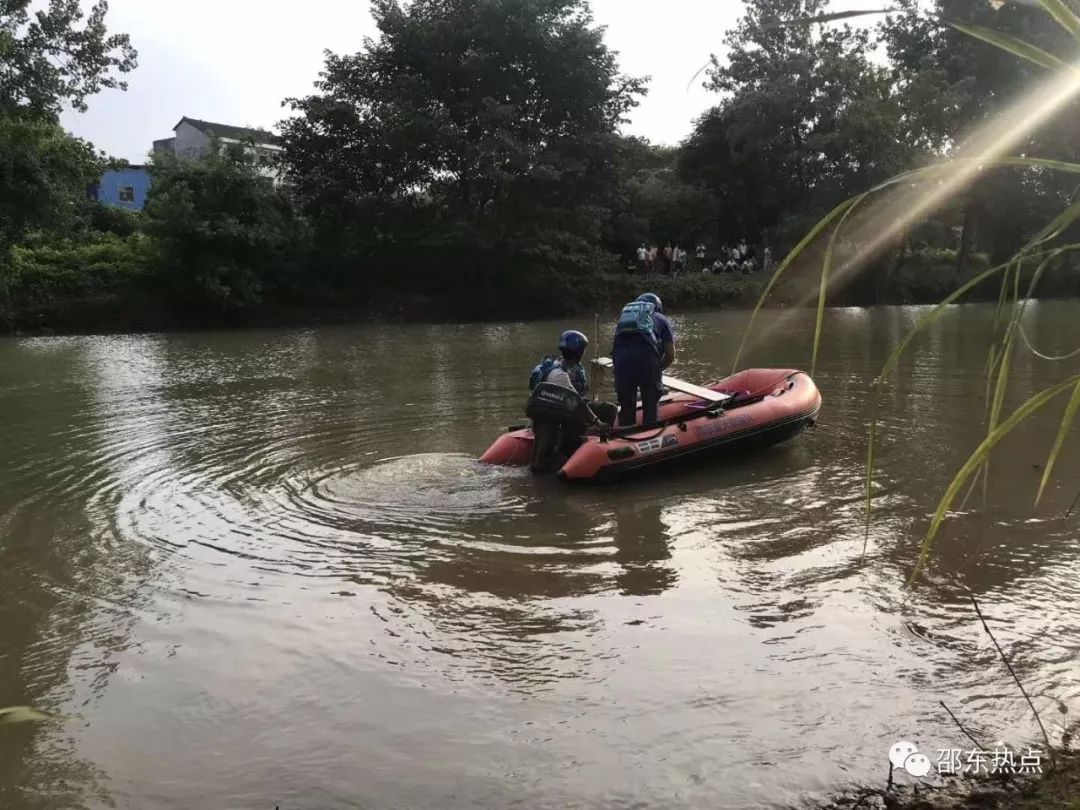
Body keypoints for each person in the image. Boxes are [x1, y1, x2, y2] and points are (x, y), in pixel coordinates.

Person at [527, 330, 617, 473]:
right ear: (579, 352)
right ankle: (586, 447)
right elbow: (578, 404)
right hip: (562, 416)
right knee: (610, 408)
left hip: (543, 415)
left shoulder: (549, 366)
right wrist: (597, 422)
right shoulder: (561, 375)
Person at [611, 293, 676, 427]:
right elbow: (670, 355)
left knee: (627, 403)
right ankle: (650, 433)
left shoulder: (624, 320)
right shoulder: (661, 319)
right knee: (650, 401)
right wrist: (659, 368)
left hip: (621, 361)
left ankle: (625, 435)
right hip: (647, 359)